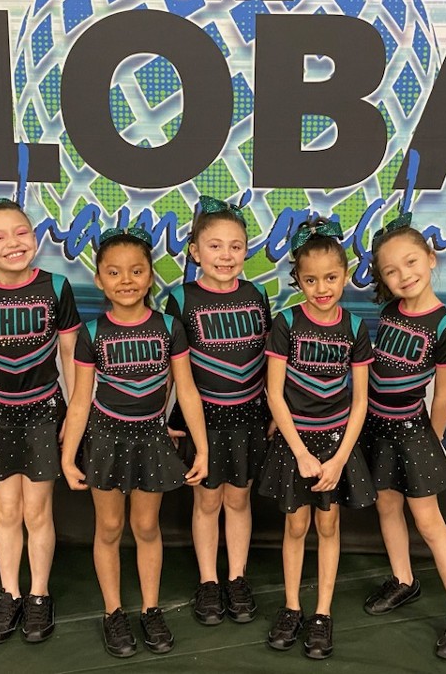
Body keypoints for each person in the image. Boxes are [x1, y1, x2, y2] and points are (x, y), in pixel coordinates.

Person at [59, 227, 210, 658]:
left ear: (150, 276)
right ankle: (113, 612)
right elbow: (80, 401)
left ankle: (150, 608)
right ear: (99, 279)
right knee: (109, 527)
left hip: (151, 438)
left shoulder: (169, 327)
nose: (126, 280)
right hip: (106, 440)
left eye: (136, 271)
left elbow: (187, 390)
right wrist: (68, 457)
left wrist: (202, 447)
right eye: (114, 272)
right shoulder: (93, 332)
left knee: (146, 527)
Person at [0, 198, 80, 644]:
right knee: (7, 509)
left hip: (44, 410)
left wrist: (75, 417)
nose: (13, 242)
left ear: (34, 237)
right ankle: (10, 593)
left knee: (37, 510)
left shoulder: (55, 287)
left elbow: (72, 356)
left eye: (21, 231)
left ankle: (39, 594)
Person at [259, 218, 377, 660]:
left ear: (345, 275)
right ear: (298, 279)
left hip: (336, 445)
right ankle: (292, 606)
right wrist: (301, 453)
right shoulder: (286, 322)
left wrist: (339, 459)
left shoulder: (355, 328)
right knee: (296, 525)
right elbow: (274, 393)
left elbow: (360, 401)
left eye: (330, 278)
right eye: (310, 280)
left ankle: (322, 613)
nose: (321, 288)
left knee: (328, 525)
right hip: (297, 444)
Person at [360, 212, 446, 659]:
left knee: (428, 522)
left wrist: (434, 442)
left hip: (414, 432)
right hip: (377, 427)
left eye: (410, 262)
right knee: (386, 505)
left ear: (430, 258)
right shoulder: (390, 312)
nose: (403, 275)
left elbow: (443, 394)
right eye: (391, 271)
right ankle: (403, 579)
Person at [164, 196, 271, 627]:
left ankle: (237, 577)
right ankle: (209, 580)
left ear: (246, 251)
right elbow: (171, 370)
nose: (226, 256)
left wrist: (272, 413)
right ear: (195, 251)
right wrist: (163, 418)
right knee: (207, 500)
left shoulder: (256, 294)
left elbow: (267, 361)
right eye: (215, 246)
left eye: (235, 246)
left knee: (239, 498)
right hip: (202, 418)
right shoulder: (181, 299)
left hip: (248, 416)